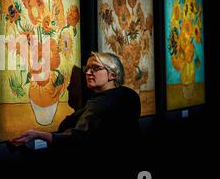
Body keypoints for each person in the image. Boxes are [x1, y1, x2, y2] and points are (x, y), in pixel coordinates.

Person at [10, 51, 141, 150]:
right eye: (87, 68)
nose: (88, 72)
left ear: (112, 74)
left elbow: (79, 139)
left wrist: (38, 134)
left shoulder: (103, 104)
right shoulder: (128, 96)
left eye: (95, 68)